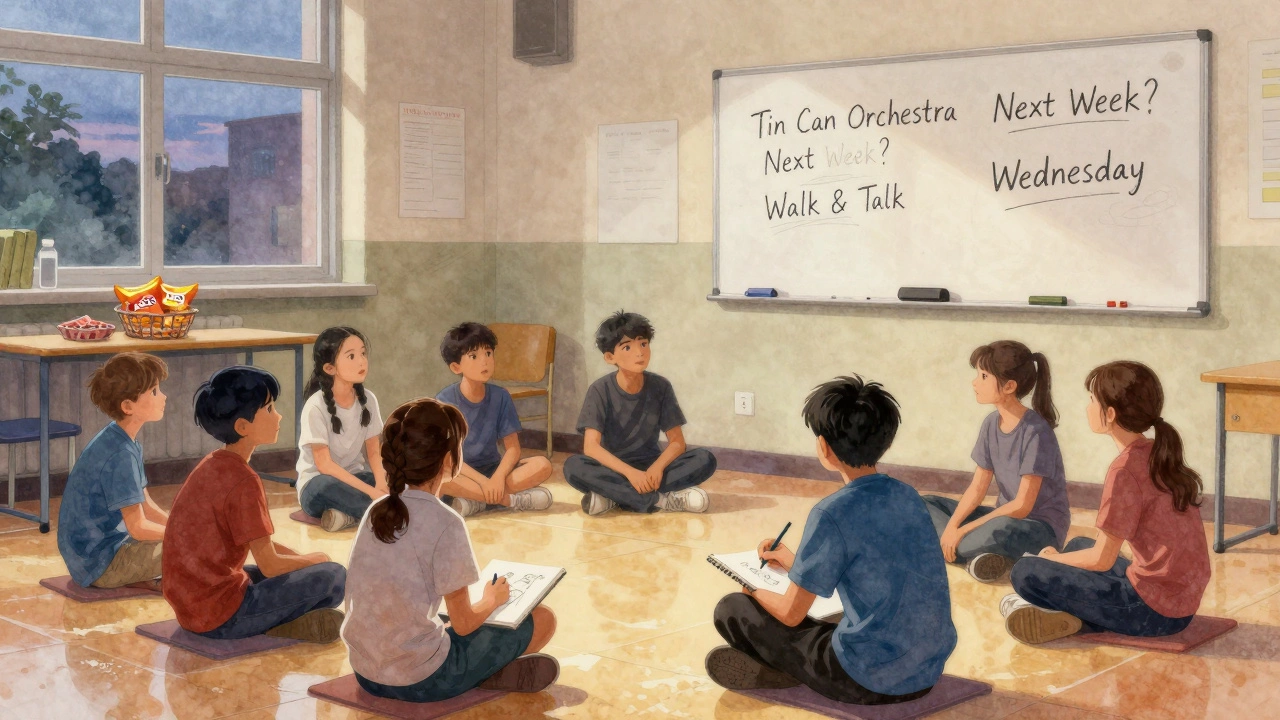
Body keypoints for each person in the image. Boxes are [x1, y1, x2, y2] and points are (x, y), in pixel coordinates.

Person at [707, 376, 956, 704]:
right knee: (832, 622)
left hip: (865, 680)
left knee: (732, 609)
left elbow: (791, 614)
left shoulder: (831, 512)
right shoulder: (907, 496)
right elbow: (874, 570)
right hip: (925, 672)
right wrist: (794, 562)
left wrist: (752, 588)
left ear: (824, 447)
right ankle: (786, 671)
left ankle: (782, 674)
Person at [343, 397, 559, 701]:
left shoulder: (375, 511)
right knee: (543, 618)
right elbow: (465, 623)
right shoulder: (446, 522)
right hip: (422, 680)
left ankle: (486, 673)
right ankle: (486, 675)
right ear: (448, 461)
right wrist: (491, 599)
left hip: (366, 673)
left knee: (440, 625)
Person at [1002, 361, 1211, 644]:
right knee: (1078, 545)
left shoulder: (1125, 469)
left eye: (1092, 400)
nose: (1087, 407)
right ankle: (1070, 616)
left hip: (1153, 613)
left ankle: (1075, 619)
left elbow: (1101, 560)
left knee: (1026, 571)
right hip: (1180, 603)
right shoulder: (1155, 451)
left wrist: (1048, 559)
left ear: (1110, 414)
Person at [163, 366, 346, 642]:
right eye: (270, 409)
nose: (279, 416)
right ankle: (281, 625)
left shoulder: (211, 464)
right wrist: (315, 560)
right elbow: (270, 565)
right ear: (242, 427)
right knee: (334, 576)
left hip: (192, 608)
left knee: (292, 572)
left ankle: (285, 621)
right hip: (222, 617)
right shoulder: (244, 480)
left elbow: (259, 544)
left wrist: (300, 561)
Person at [922, 340, 1070, 582]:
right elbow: (977, 487)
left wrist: (963, 529)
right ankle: (973, 554)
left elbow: (1021, 506)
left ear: (1009, 386)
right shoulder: (991, 423)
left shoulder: (1036, 431)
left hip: (1037, 528)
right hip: (1002, 516)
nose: (975, 382)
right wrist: (952, 528)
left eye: (983, 376)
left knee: (997, 531)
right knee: (926, 503)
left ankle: (960, 551)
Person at [563, 311, 716, 515]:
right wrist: (630, 473)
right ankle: (659, 500)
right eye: (627, 347)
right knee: (573, 466)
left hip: (651, 467)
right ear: (610, 357)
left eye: (643, 344)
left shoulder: (661, 386)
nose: (639, 353)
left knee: (705, 458)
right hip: (614, 468)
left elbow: (677, 442)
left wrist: (657, 468)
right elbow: (591, 447)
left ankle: (613, 496)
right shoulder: (599, 390)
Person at [57, 353, 169, 590]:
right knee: (193, 549)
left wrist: (181, 526)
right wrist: (184, 535)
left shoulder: (122, 440)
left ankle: (142, 578)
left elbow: (146, 504)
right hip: (99, 564)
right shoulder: (120, 454)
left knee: (187, 542)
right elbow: (138, 527)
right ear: (128, 406)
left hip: (93, 556)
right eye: (154, 392)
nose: (163, 397)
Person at [435, 322, 553, 517]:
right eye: (474, 356)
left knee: (542, 465)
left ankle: (476, 503)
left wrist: (497, 478)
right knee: (440, 477)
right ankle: (510, 501)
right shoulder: (444, 400)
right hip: (462, 472)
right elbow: (448, 457)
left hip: (493, 470)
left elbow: (513, 448)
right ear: (456, 367)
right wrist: (484, 483)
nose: (485, 362)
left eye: (488, 353)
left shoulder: (501, 396)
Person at [296, 326, 388, 532]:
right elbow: (325, 465)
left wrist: (381, 484)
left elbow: (374, 452)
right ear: (330, 368)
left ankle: (347, 516)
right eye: (351, 356)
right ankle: (383, 511)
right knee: (327, 487)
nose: (362, 361)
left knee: (399, 482)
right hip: (318, 484)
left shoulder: (369, 400)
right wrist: (372, 492)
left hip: (355, 478)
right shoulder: (315, 405)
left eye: (363, 353)